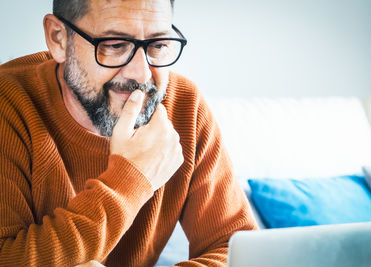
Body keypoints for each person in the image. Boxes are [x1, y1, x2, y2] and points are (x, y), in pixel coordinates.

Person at [0, 0, 257, 266]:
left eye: (157, 45)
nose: (141, 74)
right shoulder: (8, 103)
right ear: (59, 38)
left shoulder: (184, 106)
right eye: (114, 45)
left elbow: (238, 250)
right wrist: (131, 179)